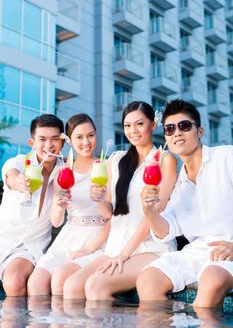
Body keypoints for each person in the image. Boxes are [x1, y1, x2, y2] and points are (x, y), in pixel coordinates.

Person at [62, 101, 178, 300]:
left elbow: (153, 214)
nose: (133, 130)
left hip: (150, 248)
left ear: (153, 124)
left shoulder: (165, 160)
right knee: (72, 286)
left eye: (139, 124)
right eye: (127, 125)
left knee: (95, 286)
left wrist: (124, 255)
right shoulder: (116, 160)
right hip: (115, 246)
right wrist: (98, 199)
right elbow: (109, 214)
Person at [137, 99, 233, 308]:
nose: (177, 133)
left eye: (184, 126)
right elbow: (166, 231)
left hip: (229, 250)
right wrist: (149, 211)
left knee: (211, 279)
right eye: (170, 129)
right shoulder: (178, 185)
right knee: (147, 280)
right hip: (197, 253)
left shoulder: (227, 157)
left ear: (200, 131)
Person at [27, 114, 111, 296]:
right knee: (35, 284)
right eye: (79, 137)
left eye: (90, 135)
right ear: (69, 141)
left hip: (99, 238)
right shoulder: (64, 171)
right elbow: (56, 222)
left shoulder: (106, 166)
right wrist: (59, 204)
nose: (86, 142)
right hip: (69, 237)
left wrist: (89, 248)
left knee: (59, 280)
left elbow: (113, 217)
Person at [0, 114, 64, 296]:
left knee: (15, 281)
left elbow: (57, 220)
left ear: (62, 143)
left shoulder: (65, 172)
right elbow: (10, 174)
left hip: (29, 247)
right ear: (32, 142)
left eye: (55, 139)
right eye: (42, 139)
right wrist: (17, 181)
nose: (49, 145)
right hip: (3, 237)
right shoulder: (20, 162)